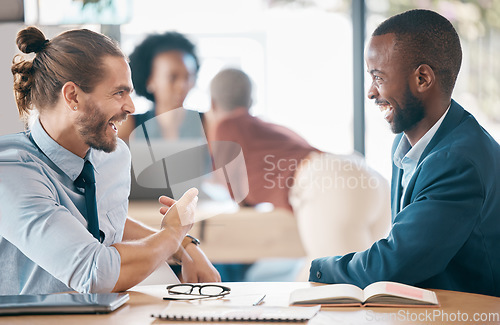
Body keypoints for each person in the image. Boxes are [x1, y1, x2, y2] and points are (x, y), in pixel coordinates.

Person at [0, 26, 220, 295]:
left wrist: (183, 245)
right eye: (119, 93)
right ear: (73, 96)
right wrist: (171, 234)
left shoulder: (112, 157)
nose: (131, 107)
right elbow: (95, 274)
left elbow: (104, 222)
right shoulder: (10, 171)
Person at [309, 9, 500, 297]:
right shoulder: (411, 146)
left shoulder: (458, 161)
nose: (371, 92)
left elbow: (393, 263)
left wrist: (317, 270)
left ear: (423, 79)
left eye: (378, 77)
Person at [208, 68, 390, 280]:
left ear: (212, 103)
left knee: (331, 287)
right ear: (251, 100)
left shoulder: (225, 126)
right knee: (364, 285)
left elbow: (237, 194)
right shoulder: (268, 128)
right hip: (363, 174)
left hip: (328, 183)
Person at [118, 31, 204, 141]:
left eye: (188, 77)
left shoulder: (207, 124)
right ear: (150, 80)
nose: (182, 86)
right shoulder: (129, 126)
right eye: (173, 77)